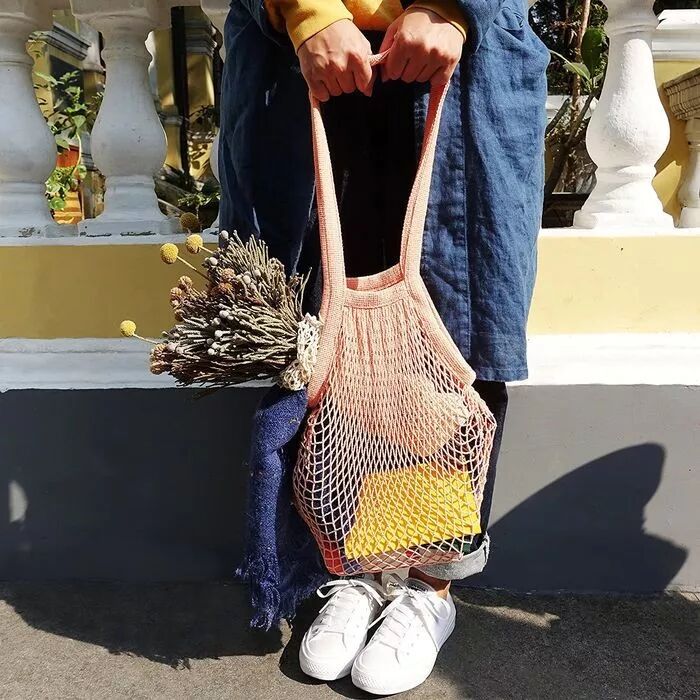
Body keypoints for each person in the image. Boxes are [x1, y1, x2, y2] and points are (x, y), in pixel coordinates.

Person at [219, 0, 549, 694]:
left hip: (460, 56)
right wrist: (307, 12)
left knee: (451, 329)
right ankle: (354, 569)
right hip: (303, 57)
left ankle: (427, 585)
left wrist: (450, 8)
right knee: (317, 334)